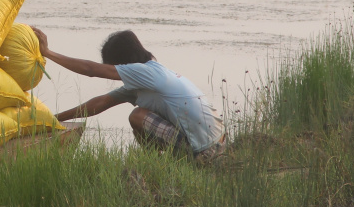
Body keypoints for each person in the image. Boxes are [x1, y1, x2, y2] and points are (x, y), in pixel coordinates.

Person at [31, 27, 226, 160]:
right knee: (140, 115)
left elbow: (90, 70)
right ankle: (160, 162)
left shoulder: (145, 72)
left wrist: (48, 53)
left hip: (206, 151)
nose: (113, 71)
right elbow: (100, 103)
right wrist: (54, 119)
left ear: (123, 62)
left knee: (138, 116)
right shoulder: (151, 76)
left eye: (114, 66)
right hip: (219, 141)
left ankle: (160, 163)